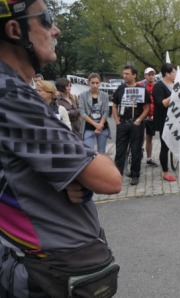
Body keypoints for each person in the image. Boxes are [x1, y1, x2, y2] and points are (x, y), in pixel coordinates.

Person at [0, 0, 122, 296]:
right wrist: (82, 168)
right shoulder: (9, 93)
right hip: (49, 267)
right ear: (15, 29)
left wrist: (57, 177)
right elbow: (109, 179)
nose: (56, 29)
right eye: (46, 19)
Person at [112, 65, 151, 185]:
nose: (124, 76)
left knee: (136, 150)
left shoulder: (142, 89)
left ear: (134, 75)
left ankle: (135, 174)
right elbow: (114, 105)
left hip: (136, 124)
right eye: (123, 73)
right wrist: (117, 121)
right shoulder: (120, 89)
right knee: (120, 151)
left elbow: (147, 107)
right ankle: (117, 175)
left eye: (127, 74)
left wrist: (139, 119)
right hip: (123, 123)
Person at [79, 73, 110, 154]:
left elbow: (106, 111)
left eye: (97, 83)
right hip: (89, 127)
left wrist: (100, 126)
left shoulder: (105, 95)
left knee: (101, 152)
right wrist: (95, 125)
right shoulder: (83, 95)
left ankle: (100, 167)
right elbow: (82, 113)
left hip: (102, 127)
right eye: (92, 83)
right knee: (88, 152)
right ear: (89, 83)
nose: (95, 85)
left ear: (100, 83)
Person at [137, 67, 159, 167]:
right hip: (141, 114)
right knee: (139, 136)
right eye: (149, 75)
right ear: (145, 75)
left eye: (152, 75)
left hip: (152, 115)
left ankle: (149, 158)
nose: (151, 76)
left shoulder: (156, 86)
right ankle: (139, 150)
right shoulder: (139, 85)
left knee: (149, 137)